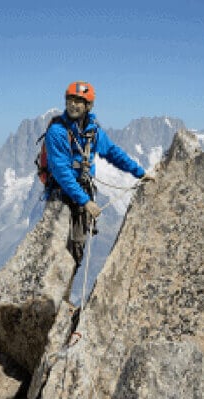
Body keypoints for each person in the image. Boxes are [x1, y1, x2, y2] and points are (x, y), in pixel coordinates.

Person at [45, 81, 153, 268]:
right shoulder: (57, 132)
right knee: (58, 249)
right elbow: (61, 171)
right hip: (61, 193)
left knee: (77, 246)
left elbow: (113, 152)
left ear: (88, 106)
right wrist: (85, 201)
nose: (73, 104)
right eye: (71, 99)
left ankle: (65, 292)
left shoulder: (92, 131)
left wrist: (140, 173)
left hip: (82, 190)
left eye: (79, 101)